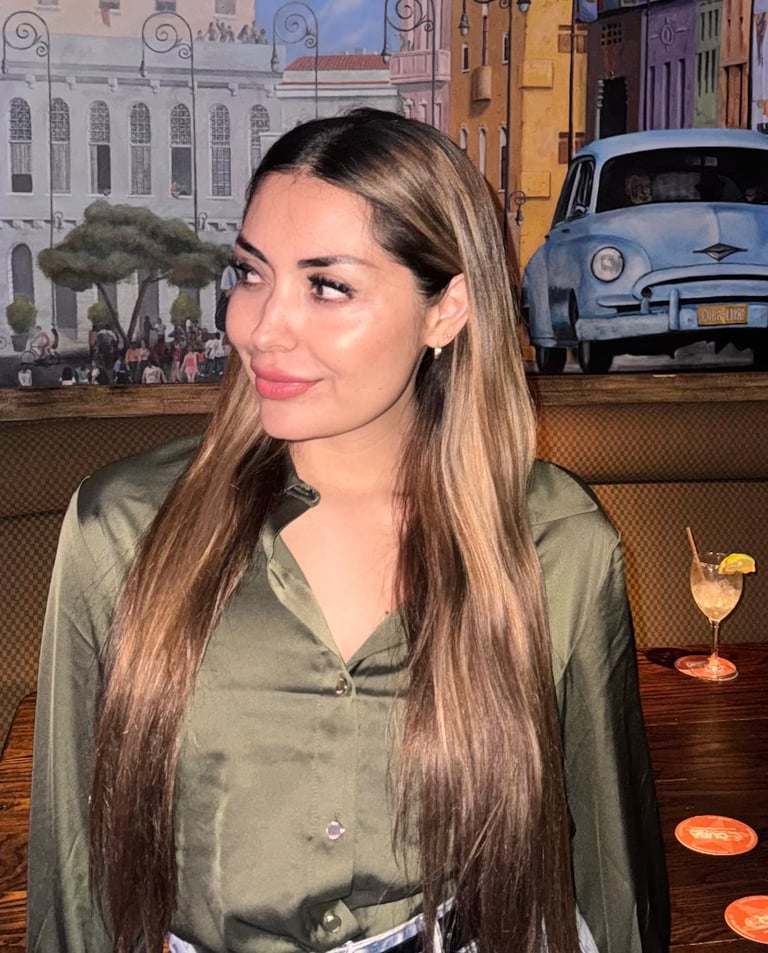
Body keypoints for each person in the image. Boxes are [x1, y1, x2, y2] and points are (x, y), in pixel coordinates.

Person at [27, 109, 668, 953]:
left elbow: (609, 867)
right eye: (250, 274)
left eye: (327, 286)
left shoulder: (556, 541)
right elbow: (73, 868)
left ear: (447, 310)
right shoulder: (121, 527)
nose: (260, 328)